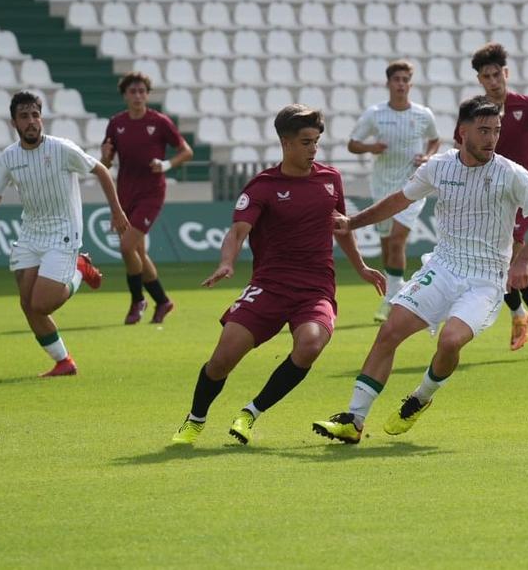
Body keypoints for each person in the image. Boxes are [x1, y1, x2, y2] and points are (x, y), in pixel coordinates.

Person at [312, 98, 528, 444]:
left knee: (451, 340)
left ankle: (421, 396)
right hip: (443, 266)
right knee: (390, 331)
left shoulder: (513, 174)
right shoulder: (439, 167)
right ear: (463, 132)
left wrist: (522, 260)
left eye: (496, 131)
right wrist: (353, 221)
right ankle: (354, 418)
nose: (491, 138)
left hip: (486, 280)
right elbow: (400, 199)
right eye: (484, 130)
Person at [171, 104, 385, 446]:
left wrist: (360, 267)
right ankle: (195, 419)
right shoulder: (264, 186)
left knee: (311, 343)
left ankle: (250, 413)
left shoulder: (331, 180)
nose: (313, 149)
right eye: (306, 142)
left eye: (316, 141)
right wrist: (227, 262)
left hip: (315, 288)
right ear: (285, 143)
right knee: (223, 358)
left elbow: (341, 227)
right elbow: (238, 231)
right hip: (269, 286)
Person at [0, 91, 128, 376]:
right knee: (28, 305)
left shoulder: (61, 148)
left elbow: (101, 170)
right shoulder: (9, 157)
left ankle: (79, 269)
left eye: (35, 115)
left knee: (42, 303)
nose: (31, 121)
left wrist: (117, 211)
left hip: (63, 233)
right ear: (14, 122)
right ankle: (64, 362)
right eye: (24, 116)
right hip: (31, 234)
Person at [463, 42, 528, 358]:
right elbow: (465, 151)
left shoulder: (527, 106)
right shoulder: (476, 115)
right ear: (479, 80)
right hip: (489, 197)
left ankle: (519, 315)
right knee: (506, 264)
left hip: (523, 195)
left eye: (497, 74)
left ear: (505, 73)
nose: (494, 81)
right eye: (487, 76)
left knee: (512, 260)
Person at [347, 60, 441, 323]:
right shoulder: (375, 113)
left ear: (410, 84)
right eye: (396, 79)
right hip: (382, 185)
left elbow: (435, 139)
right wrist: (370, 148)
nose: (401, 84)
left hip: (413, 185)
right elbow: (353, 144)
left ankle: (392, 301)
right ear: (388, 83)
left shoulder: (423, 114)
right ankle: (394, 293)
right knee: (387, 243)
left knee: (398, 239)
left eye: (405, 79)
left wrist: (428, 156)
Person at [101, 72, 193, 325]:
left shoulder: (159, 121)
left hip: (151, 193)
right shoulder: (116, 123)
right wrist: (105, 155)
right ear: (125, 95)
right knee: (138, 252)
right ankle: (163, 301)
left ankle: (137, 300)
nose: (138, 96)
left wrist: (165, 165)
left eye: (142, 91)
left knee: (127, 247)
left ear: (147, 95)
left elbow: (186, 151)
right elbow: (105, 163)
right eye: (133, 91)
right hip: (125, 193)